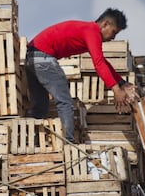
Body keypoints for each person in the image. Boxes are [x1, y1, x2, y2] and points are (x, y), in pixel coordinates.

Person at [25, 8, 136, 143]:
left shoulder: (87, 30)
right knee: (65, 102)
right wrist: (116, 90)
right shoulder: (92, 31)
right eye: (114, 32)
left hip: (31, 58)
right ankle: (69, 144)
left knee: (40, 108)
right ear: (105, 24)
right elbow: (99, 63)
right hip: (44, 59)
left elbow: (102, 61)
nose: (113, 38)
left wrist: (121, 82)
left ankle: (30, 142)